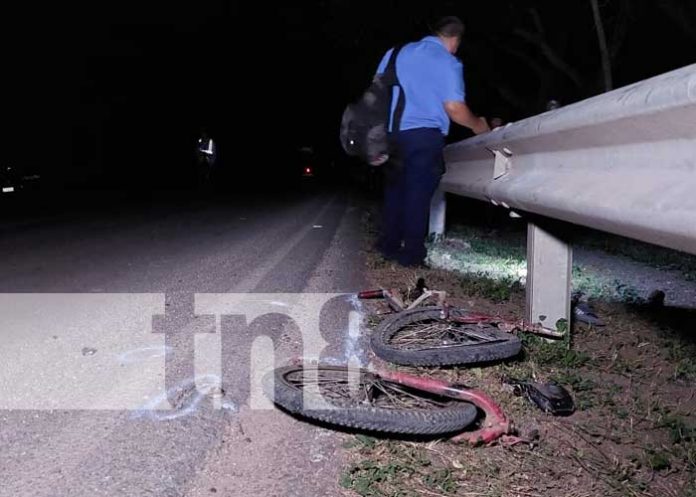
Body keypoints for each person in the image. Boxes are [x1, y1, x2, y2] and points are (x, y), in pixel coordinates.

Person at [375, 16, 490, 267]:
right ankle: (412, 254)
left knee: (396, 188)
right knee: (418, 191)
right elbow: (454, 108)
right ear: (455, 40)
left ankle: (389, 245)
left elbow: (377, 89)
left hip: (391, 133)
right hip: (424, 134)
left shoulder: (396, 53)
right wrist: (478, 125)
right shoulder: (448, 62)